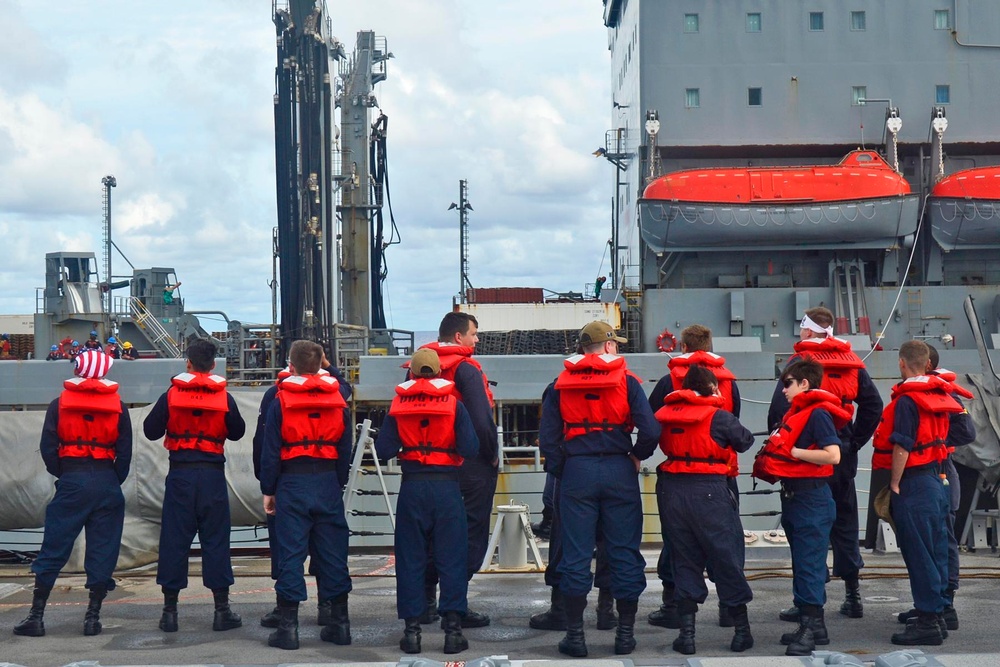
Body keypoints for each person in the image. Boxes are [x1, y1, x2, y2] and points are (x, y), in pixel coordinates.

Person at [539, 321, 661, 657]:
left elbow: (548, 439)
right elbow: (651, 430)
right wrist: (636, 455)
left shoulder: (559, 385)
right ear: (607, 346)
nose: (617, 348)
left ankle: (575, 638)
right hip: (619, 470)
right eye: (615, 343)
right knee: (624, 552)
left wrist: (565, 468)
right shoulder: (627, 381)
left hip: (577, 471)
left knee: (576, 555)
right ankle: (624, 636)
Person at [767, 307, 882, 622]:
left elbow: (778, 410)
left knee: (805, 528)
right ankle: (853, 595)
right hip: (842, 454)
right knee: (845, 522)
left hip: (806, 460)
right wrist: (854, 442)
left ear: (806, 331)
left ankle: (806, 600)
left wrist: (783, 449)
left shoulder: (798, 363)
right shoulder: (851, 363)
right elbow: (873, 405)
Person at [13, 350, 132, 637]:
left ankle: (36, 618)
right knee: (103, 550)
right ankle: (92, 619)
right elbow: (125, 453)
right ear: (105, 371)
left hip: (72, 478)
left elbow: (48, 447)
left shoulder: (59, 405)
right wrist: (111, 479)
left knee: (54, 546)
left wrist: (65, 474)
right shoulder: (119, 407)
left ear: (78, 370)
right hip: (107, 480)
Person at [376, 348, 479, 654]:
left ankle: (412, 633)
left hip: (412, 489)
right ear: (438, 372)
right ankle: (453, 632)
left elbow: (383, 450)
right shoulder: (454, 405)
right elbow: (470, 448)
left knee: (410, 560)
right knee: (452, 559)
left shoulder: (397, 406)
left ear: (411, 373)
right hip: (447, 490)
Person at [873, 340, 975, 645]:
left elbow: (902, 445)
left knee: (920, 554)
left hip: (917, 483)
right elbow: (962, 431)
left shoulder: (907, 401)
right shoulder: (941, 393)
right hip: (938, 477)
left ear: (902, 363)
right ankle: (938, 612)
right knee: (937, 549)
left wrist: (894, 482)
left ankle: (929, 621)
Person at [143, 338, 246, 633]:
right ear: (213, 365)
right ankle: (221, 611)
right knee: (216, 541)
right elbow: (237, 432)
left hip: (181, 476)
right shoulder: (224, 398)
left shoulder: (171, 395)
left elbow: (150, 431)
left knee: (174, 541)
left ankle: (170, 613)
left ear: (188, 363)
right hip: (212, 477)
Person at [654, 365, 755, 655]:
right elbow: (745, 441)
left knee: (684, 559)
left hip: (672, 492)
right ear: (712, 388)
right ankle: (741, 632)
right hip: (709, 491)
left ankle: (687, 637)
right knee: (726, 558)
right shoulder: (718, 416)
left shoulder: (667, 414)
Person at [259, 340, 353, 650]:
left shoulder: (280, 401)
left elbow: (270, 453)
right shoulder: (338, 402)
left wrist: (268, 490)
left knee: (291, 554)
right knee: (334, 554)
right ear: (320, 364)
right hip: (327, 482)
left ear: (292, 366)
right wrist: (336, 483)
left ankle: (288, 629)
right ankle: (340, 625)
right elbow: (345, 450)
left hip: (292, 482)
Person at [648, 323, 742, 630]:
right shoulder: (729, 383)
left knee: (678, 544)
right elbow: (735, 425)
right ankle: (730, 611)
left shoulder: (668, 381)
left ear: (683, 348)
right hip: (721, 476)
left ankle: (675, 608)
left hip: (677, 479)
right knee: (726, 544)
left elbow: (651, 422)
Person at [754, 358, 849, 656]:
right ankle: (813, 625)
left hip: (811, 499)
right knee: (803, 563)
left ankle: (810, 628)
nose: (783, 390)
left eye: (788, 384)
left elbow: (833, 455)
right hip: (796, 498)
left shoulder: (817, 414)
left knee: (809, 565)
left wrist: (794, 452)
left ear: (804, 384)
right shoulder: (800, 413)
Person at [410, 312, 498, 628]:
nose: (477, 339)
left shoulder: (417, 368)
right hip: (469, 464)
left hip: (426, 466)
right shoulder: (466, 369)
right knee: (470, 532)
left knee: (430, 534)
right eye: (474, 334)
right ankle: (455, 606)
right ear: (459, 337)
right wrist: (492, 456)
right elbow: (481, 421)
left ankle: (425, 602)